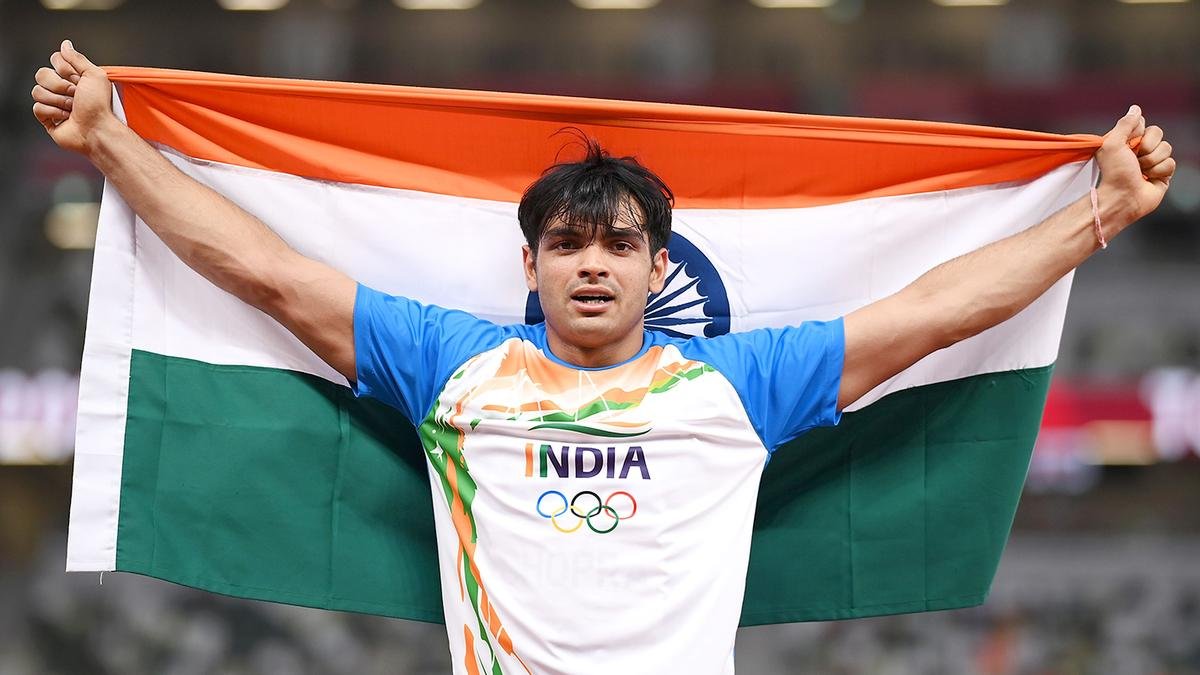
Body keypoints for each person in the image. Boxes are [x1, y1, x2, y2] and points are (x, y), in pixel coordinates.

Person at [32, 40, 1174, 674]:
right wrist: (110, 144)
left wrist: (1100, 216)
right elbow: (269, 274)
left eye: (618, 245)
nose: (592, 265)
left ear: (657, 265)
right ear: (528, 264)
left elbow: (931, 313)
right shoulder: (451, 368)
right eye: (567, 245)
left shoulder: (737, 385)